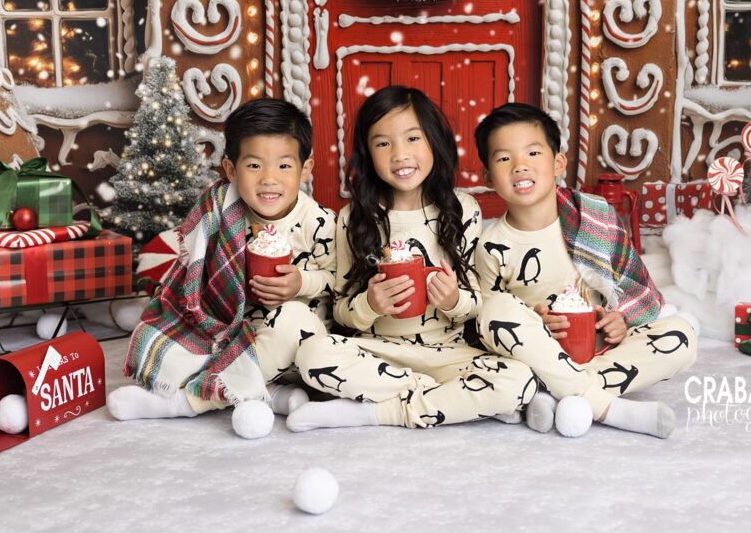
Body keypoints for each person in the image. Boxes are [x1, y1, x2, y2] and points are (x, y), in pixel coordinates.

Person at [287, 86, 536, 432]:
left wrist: (452, 300)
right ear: (367, 153)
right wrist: (370, 304)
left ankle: (374, 413)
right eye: (383, 143)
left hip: (447, 353)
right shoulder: (352, 219)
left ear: (435, 141)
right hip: (378, 353)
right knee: (312, 355)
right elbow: (341, 308)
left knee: (519, 380)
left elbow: (478, 302)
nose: (399, 154)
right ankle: (453, 399)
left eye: (413, 138)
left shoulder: (463, 210)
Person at [107, 99, 336, 438]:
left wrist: (303, 282)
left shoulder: (320, 223)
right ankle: (265, 395)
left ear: (305, 169)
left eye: (284, 167)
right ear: (231, 170)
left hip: (292, 343)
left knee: (294, 322)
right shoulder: (220, 212)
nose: (269, 179)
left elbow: (339, 281)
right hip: (231, 333)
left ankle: (187, 403)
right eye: (255, 165)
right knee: (174, 336)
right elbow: (193, 276)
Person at [473, 103, 697, 438]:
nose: (520, 166)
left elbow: (631, 289)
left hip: (598, 348)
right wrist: (535, 320)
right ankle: (602, 404)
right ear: (489, 176)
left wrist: (619, 319)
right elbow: (486, 326)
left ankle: (554, 393)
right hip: (537, 354)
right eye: (504, 158)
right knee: (492, 313)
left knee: (681, 336)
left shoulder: (593, 217)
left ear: (558, 162)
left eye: (533, 153)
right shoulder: (490, 245)